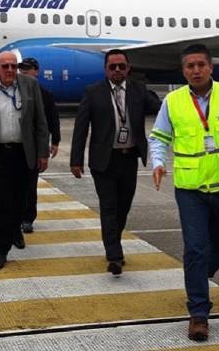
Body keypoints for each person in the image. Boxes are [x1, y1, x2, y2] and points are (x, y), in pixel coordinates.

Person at [149, 44, 219, 342]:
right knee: (196, 248)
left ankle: (196, 278)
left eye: (200, 65)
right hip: (189, 189)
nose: (195, 70)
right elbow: (158, 137)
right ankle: (199, 312)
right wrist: (158, 163)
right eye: (189, 66)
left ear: (211, 67)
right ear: (183, 70)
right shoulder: (172, 101)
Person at [70, 49, 162, 276]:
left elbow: (161, 110)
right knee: (109, 206)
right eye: (113, 67)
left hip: (129, 157)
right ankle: (114, 255)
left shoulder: (138, 90)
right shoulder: (93, 92)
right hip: (104, 160)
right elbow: (81, 128)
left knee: (123, 206)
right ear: (105, 70)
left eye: (121, 66)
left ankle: (113, 239)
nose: (118, 70)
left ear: (128, 68)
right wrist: (76, 159)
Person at [0, 52, 49, 271]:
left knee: (22, 198)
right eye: (5, 66)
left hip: (25, 152)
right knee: (1, 200)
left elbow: (40, 121)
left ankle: (15, 230)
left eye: (13, 66)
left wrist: (43, 152)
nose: (10, 70)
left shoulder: (30, 85)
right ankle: (0, 250)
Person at [17, 57, 60, 234]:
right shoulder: (12, 91)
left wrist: (55, 141)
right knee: (12, 185)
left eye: (28, 71)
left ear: (37, 72)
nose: (24, 74)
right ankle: (14, 216)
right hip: (14, 145)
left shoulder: (44, 94)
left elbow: (52, 120)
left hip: (34, 147)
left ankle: (28, 218)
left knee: (29, 184)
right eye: (22, 71)